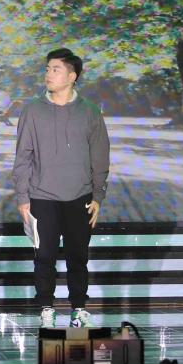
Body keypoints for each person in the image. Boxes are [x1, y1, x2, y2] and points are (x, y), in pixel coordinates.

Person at [12, 48, 110, 329]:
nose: (48, 74)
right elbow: (23, 156)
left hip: (80, 197)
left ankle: (79, 309)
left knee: (78, 256)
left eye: (55, 69)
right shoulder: (32, 110)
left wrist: (98, 196)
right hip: (41, 196)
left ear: (72, 76)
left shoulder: (90, 112)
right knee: (44, 257)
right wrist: (23, 197)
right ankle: (46, 308)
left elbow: (100, 157)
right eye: (47, 69)